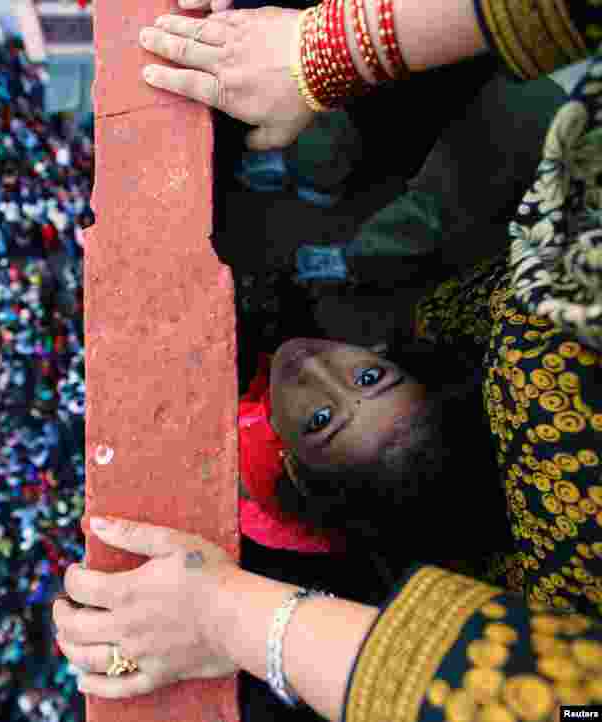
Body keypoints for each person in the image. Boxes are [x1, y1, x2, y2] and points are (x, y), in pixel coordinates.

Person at [53, 0, 602, 720]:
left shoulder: (521, 368)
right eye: (370, 378)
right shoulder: (504, 354)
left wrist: (233, 617)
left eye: (319, 418)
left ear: (291, 466)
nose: (314, 368)